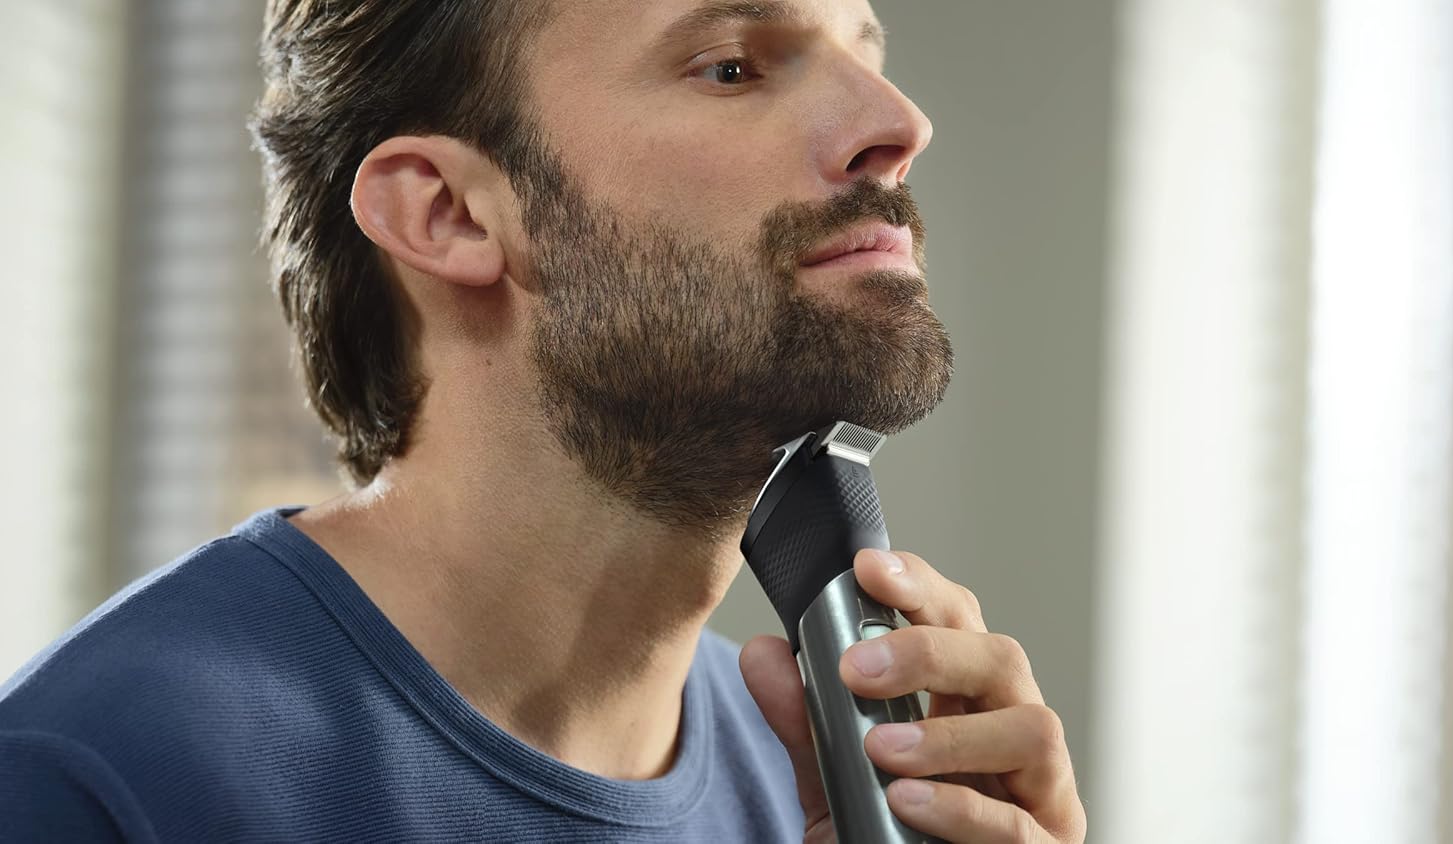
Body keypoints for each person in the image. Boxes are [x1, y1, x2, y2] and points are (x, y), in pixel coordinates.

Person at [0, 1, 1086, 841]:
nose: (900, 125)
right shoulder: (94, 778)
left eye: (866, 52)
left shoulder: (826, 779)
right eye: (732, 67)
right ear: (450, 212)